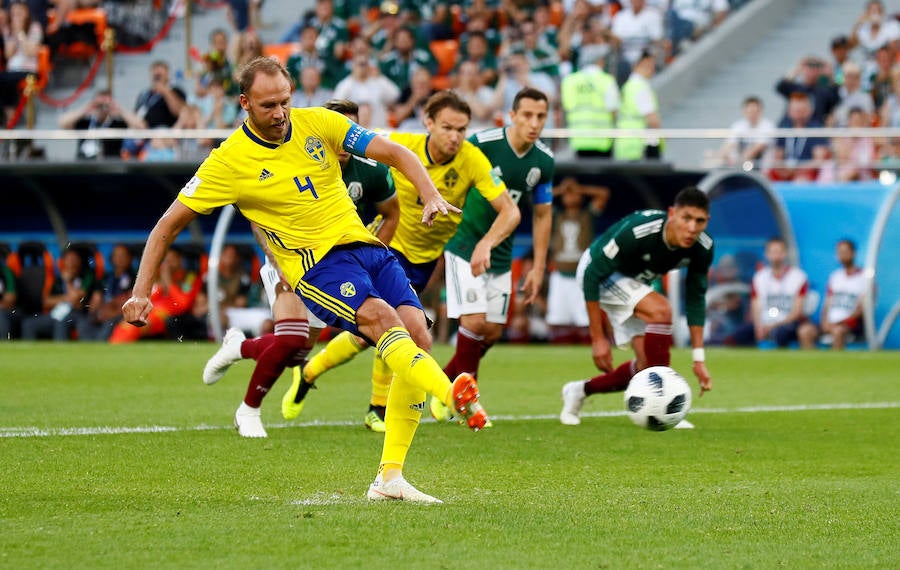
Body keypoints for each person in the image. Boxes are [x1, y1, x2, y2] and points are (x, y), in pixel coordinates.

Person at [122, 57, 487, 504]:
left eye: (285, 102)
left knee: (418, 337)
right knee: (378, 322)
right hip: (316, 265)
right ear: (244, 103)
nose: (280, 113)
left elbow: (395, 153)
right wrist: (141, 293)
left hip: (366, 247)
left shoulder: (319, 123)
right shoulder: (228, 161)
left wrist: (428, 193)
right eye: (268, 105)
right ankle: (452, 393)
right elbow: (167, 225)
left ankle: (389, 478)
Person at [290, 90, 518, 434]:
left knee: (368, 336)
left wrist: (486, 243)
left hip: (425, 259)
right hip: (388, 248)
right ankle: (380, 408)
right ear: (428, 123)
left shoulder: (471, 159)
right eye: (447, 127)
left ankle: (308, 373)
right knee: (396, 329)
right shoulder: (400, 143)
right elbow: (361, 147)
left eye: (461, 129)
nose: (455, 136)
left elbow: (510, 210)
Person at [431, 86, 555, 421]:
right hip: (465, 244)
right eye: (527, 115)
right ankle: (468, 403)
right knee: (473, 320)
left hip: (501, 254)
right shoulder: (481, 145)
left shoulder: (543, 161)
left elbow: (542, 214)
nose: (534, 123)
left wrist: (538, 267)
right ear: (511, 116)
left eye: (541, 116)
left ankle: (442, 384)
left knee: (492, 331)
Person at [559, 187, 714, 428]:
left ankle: (578, 391)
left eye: (699, 221)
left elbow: (696, 298)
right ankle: (665, 402)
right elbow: (592, 274)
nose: (692, 228)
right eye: (686, 218)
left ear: (707, 221)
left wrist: (698, 358)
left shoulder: (702, 248)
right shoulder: (640, 231)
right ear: (672, 214)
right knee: (661, 310)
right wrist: (598, 338)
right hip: (598, 274)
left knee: (645, 365)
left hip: (633, 284)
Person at [726, 237, 810, 348]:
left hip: (787, 324)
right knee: (737, 337)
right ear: (766, 254)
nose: (776, 255)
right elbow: (756, 306)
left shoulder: (798, 277)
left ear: (785, 253)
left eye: (779, 251)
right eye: (772, 252)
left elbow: (797, 312)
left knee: (781, 334)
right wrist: (758, 326)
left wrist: (773, 326)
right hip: (764, 323)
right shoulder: (759, 277)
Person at [545, 178, 600, 344]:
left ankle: (586, 351)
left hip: (580, 275)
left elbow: (603, 194)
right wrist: (562, 189)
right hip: (560, 274)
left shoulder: (587, 215)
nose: (570, 196)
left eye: (574, 194)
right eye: (567, 195)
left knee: (584, 320)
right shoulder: (556, 215)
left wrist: (579, 188)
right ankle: (559, 353)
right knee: (557, 320)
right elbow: (537, 199)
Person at [797, 239, 868, 350]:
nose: (842, 255)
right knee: (805, 331)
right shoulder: (835, 276)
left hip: (850, 324)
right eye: (840, 252)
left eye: (845, 252)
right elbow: (827, 304)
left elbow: (863, 307)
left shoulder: (865, 278)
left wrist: (841, 322)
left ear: (853, 253)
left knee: (838, 331)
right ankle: (812, 364)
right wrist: (825, 322)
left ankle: (836, 365)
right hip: (830, 322)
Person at [560, 43, 620, 158]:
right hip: (603, 141)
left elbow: (566, 107)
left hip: (579, 140)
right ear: (600, 60)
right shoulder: (606, 80)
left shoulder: (569, 81)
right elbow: (614, 111)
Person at [58, 89, 145, 160]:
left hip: (110, 165)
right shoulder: (85, 122)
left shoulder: (117, 123)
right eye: (99, 105)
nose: (102, 108)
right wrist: (85, 109)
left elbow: (141, 127)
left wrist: (120, 110)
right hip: (85, 164)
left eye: (105, 105)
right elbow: (63, 123)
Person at [78, 243, 135, 341]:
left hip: (121, 313)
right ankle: (86, 348)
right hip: (103, 311)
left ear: (130, 259)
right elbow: (96, 299)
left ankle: (100, 348)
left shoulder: (134, 278)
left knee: (110, 322)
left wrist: (111, 311)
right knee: (84, 322)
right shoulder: (105, 278)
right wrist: (97, 313)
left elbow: (130, 300)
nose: (120, 259)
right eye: (117, 256)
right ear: (112, 259)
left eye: (123, 256)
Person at [613, 49, 661, 160]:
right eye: (652, 63)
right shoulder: (640, 88)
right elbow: (652, 120)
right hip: (638, 145)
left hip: (624, 142)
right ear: (644, 62)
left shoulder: (628, 86)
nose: (653, 68)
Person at [718, 96, 775, 170]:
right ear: (744, 111)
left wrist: (736, 162)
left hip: (762, 170)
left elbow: (755, 150)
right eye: (750, 112)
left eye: (755, 112)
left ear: (760, 111)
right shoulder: (738, 125)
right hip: (741, 167)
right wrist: (721, 156)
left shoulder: (767, 126)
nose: (752, 115)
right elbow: (728, 146)